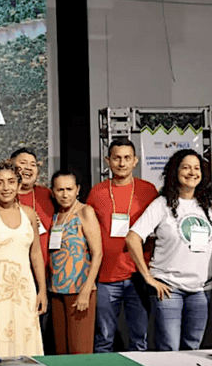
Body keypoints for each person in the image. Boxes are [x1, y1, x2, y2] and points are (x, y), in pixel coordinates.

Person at [126, 149, 212, 351]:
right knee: (169, 350)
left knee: (193, 350)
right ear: (176, 172)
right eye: (186, 167)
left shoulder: (207, 207)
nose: (192, 172)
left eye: (196, 168)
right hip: (169, 288)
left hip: (200, 290)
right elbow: (133, 237)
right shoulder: (162, 204)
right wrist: (148, 277)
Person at [87, 138, 158, 352]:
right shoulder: (97, 192)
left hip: (138, 275)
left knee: (139, 338)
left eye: (127, 158)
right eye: (117, 158)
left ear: (135, 161)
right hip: (106, 276)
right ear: (108, 160)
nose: (122, 163)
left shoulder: (147, 190)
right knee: (104, 337)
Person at [0, 159, 46, 359]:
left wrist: (42, 290)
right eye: (0, 182)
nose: (6, 188)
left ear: (19, 185)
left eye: (11, 182)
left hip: (24, 291)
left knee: (25, 347)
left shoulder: (30, 214)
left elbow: (36, 254)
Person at [48, 168, 102, 354]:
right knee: (61, 351)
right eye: (60, 190)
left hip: (79, 290)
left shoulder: (85, 212)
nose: (65, 194)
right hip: (56, 290)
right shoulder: (56, 217)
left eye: (69, 189)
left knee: (80, 351)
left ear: (77, 189)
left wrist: (86, 291)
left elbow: (98, 254)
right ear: (53, 192)